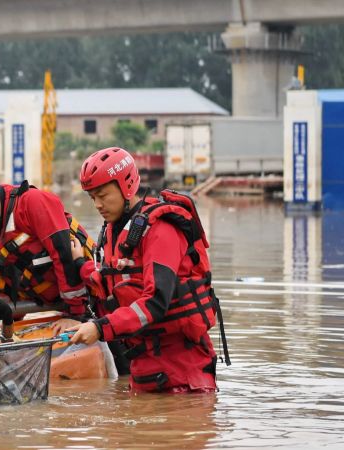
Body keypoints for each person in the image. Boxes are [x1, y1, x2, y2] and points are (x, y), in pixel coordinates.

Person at [62, 147, 225, 393]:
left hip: (183, 376)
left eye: (103, 195)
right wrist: (79, 264)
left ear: (126, 186)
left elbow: (156, 301)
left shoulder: (161, 230)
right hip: (144, 370)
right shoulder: (114, 231)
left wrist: (99, 327)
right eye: (92, 197)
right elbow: (108, 280)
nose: (97, 204)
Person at [0, 167, 95, 326]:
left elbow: (64, 255)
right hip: (37, 296)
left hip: (86, 293)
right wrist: (8, 314)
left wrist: (75, 314)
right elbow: (3, 274)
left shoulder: (31, 203)